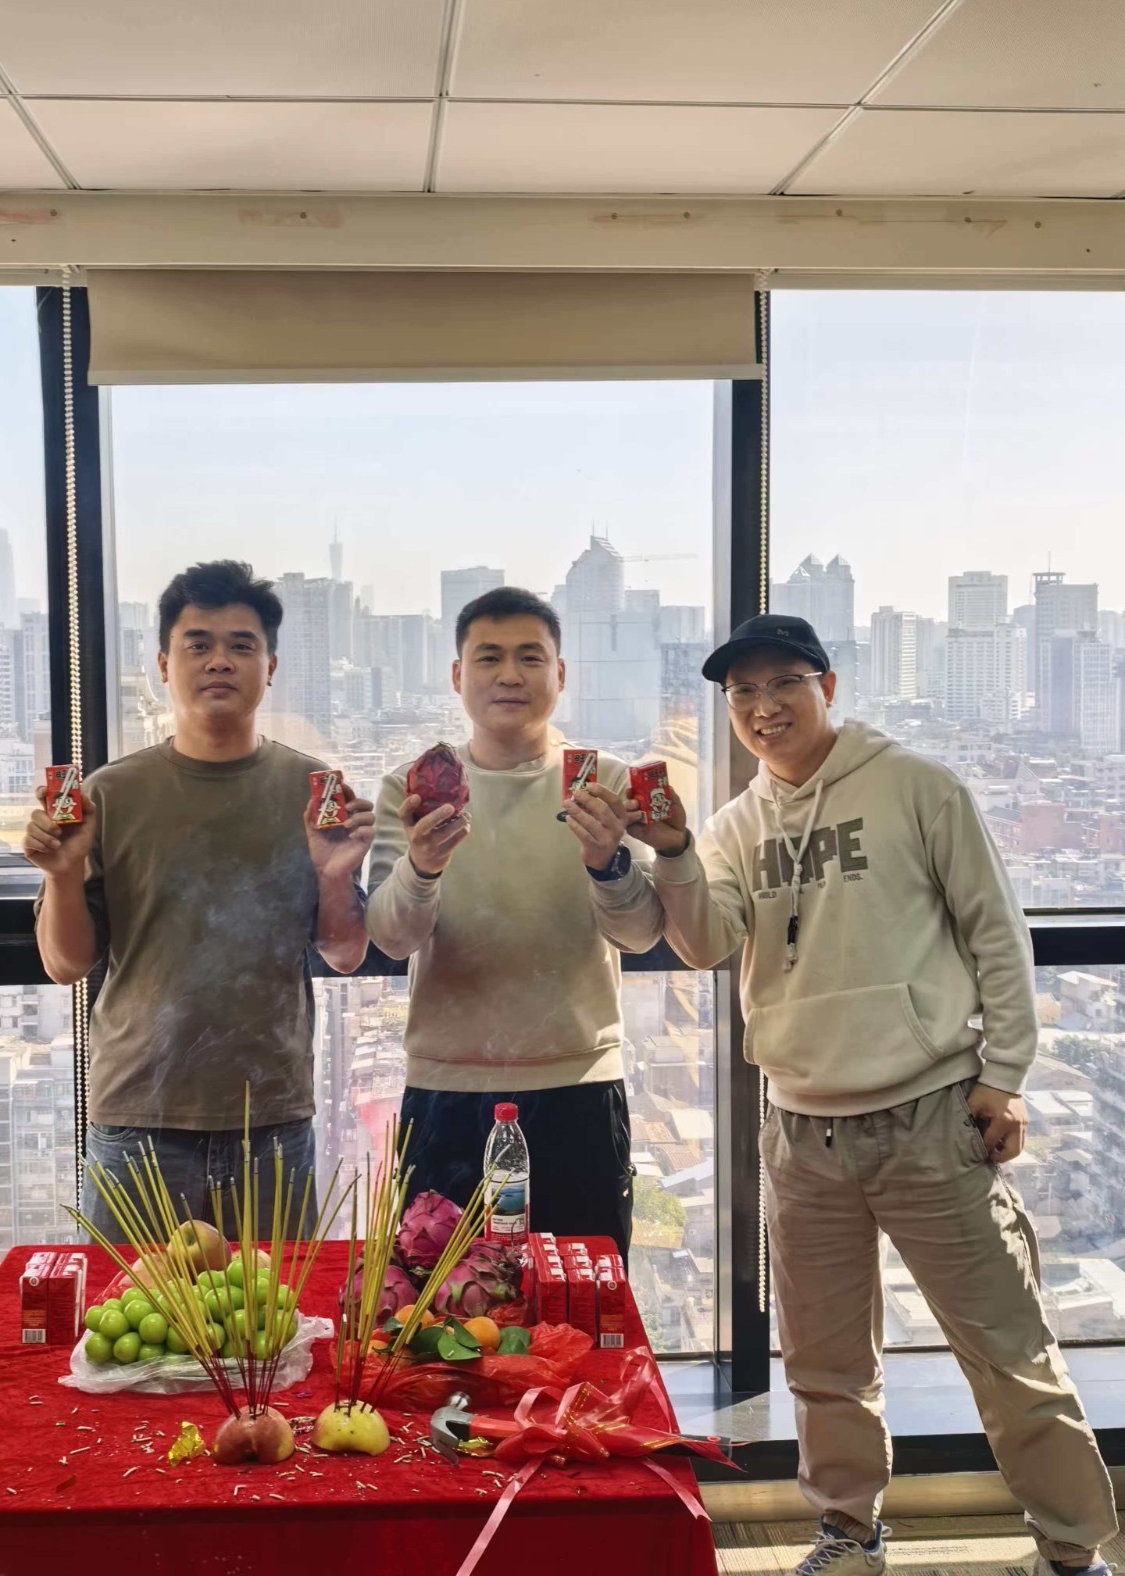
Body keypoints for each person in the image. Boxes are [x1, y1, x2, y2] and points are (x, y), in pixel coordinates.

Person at [631, 613, 1116, 1576]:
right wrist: (675, 851)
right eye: (742, 693)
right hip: (801, 1131)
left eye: (784, 683)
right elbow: (703, 941)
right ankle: (848, 1533)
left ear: (828, 687)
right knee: (824, 1363)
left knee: (1009, 1352)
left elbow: (996, 932)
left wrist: (1005, 1076)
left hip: (929, 1117)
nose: (764, 707)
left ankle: (1074, 1550)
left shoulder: (917, 787)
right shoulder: (733, 827)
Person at [25, 560, 374, 1242]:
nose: (220, 661)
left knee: (274, 1310)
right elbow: (66, 964)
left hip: (271, 1118)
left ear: (270, 667)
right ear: (164, 663)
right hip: (138, 1118)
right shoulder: (110, 794)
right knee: (130, 1311)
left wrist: (335, 877)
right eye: (198, 644)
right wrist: (62, 876)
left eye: (242, 645)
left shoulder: (311, 788)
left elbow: (344, 952)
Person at [365, 586, 671, 1255]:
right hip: (447, 1087)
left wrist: (608, 864)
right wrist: (422, 867)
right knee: (438, 1302)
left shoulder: (605, 782)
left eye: (530, 658)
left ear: (559, 674)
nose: (510, 675)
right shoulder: (413, 788)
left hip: (579, 1083)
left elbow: (641, 932)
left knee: (582, 1299)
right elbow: (391, 936)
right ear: (457, 675)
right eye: (489, 658)